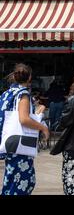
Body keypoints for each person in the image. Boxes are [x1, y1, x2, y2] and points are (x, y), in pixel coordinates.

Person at [0, 64, 49, 195]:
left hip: (9, 141)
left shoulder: (7, 93)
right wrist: (43, 128)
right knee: (23, 181)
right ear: (29, 78)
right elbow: (24, 119)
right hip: (21, 144)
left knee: (11, 179)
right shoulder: (23, 95)